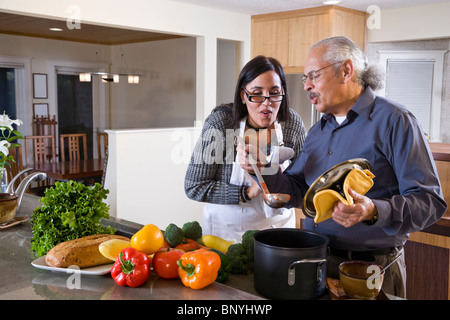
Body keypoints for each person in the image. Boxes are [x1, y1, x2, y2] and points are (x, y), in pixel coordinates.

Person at [238, 36, 447, 298]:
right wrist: (261, 169)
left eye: (313, 75)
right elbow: (297, 191)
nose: (307, 86)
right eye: (305, 79)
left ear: (346, 70)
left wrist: (372, 210)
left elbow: (430, 202)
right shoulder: (317, 131)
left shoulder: (396, 121)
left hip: (373, 268)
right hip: (318, 263)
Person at [184, 55, 307, 242]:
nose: (267, 103)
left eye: (274, 93)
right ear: (243, 95)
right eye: (257, 93)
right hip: (226, 236)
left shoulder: (292, 124)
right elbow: (194, 186)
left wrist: (276, 179)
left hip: (279, 231)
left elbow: (302, 181)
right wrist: (247, 192)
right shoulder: (221, 124)